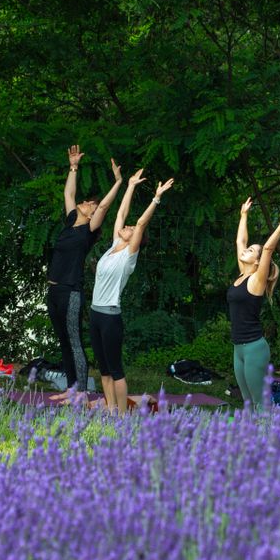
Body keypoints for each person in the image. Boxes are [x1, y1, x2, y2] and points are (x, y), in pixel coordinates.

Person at [90, 170, 174, 412]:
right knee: (103, 370)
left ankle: (123, 419)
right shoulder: (116, 245)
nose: (124, 227)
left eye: (128, 230)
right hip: (95, 314)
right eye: (124, 228)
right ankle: (111, 410)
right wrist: (129, 186)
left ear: (134, 239)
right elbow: (121, 213)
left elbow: (138, 222)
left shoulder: (128, 256)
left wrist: (156, 198)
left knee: (115, 370)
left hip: (110, 317)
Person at [47, 145, 122, 396]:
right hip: (54, 291)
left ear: (92, 215)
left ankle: (79, 395)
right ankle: (71, 390)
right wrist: (73, 166)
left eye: (90, 204)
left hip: (71, 292)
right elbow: (69, 192)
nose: (87, 203)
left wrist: (119, 182)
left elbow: (103, 208)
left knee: (75, 342)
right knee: (64, 343)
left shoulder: (88, 232)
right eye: (87, 201)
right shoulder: (70, 222)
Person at [230, 199, 280, 408]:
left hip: (254, 348)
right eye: (249, 249)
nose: (246, 251)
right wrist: (243, 215)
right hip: (238, 348)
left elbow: (268, 249)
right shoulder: (243, 274)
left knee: (260, 402)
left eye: (251, 251)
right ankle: (250, 439)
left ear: (259, 262)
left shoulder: (257, 281)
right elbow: (239, 242)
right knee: (247, 402)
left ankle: (268, 437)